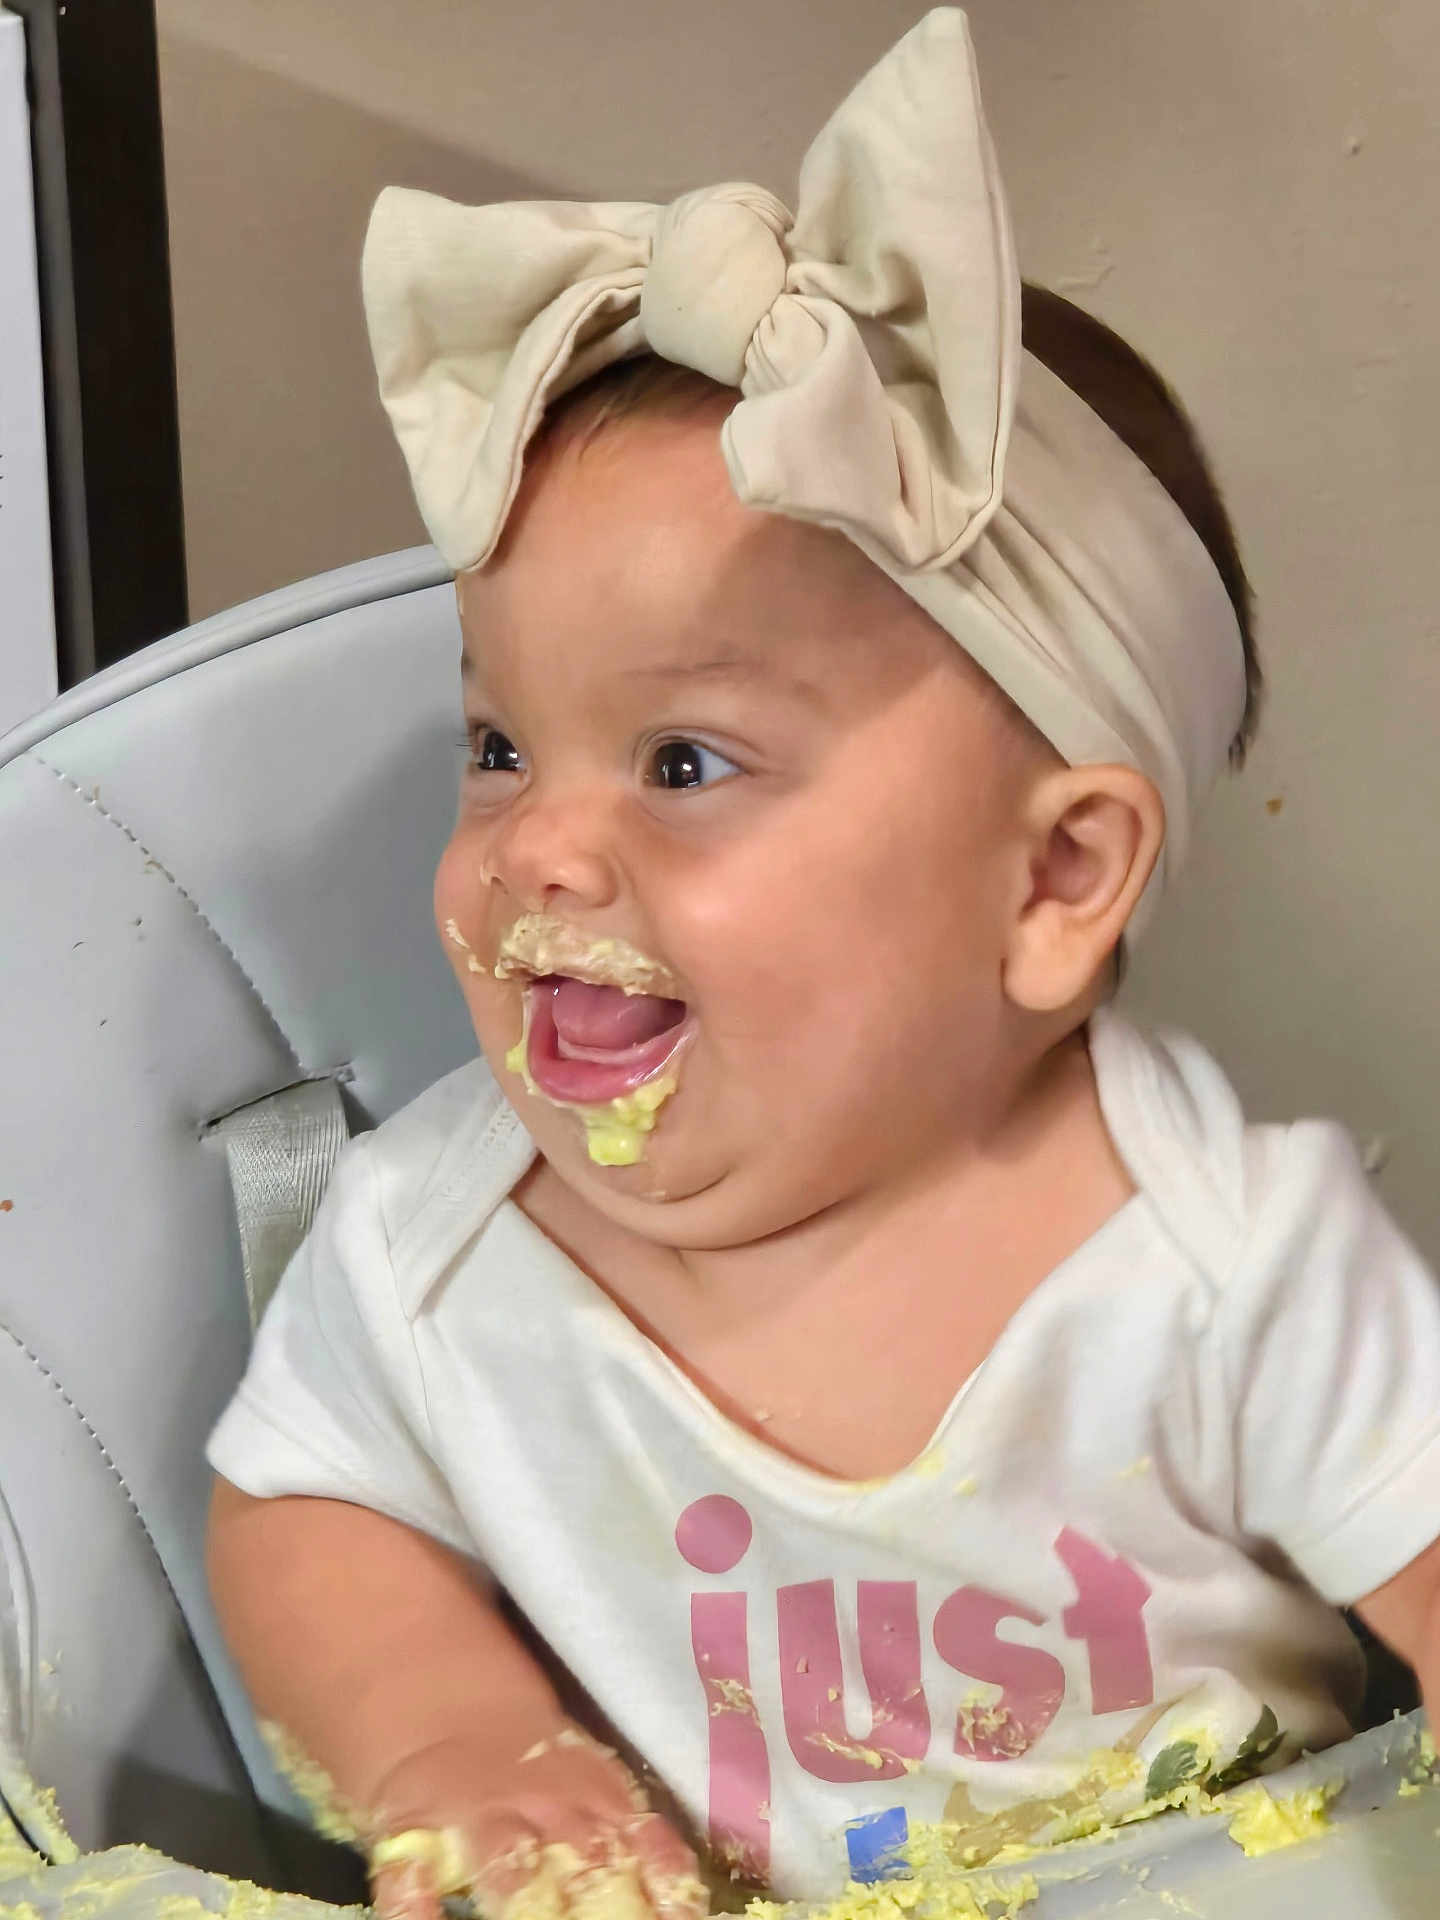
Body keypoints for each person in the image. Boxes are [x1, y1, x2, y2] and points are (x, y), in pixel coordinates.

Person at [205, 12, 1440, 1920]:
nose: (535, 843)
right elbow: (311, 1506)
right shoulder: (427, 1247)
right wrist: (451, 1745)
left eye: (685, 763)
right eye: (498, 744)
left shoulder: (1226, 1263)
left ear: (1054, 883)